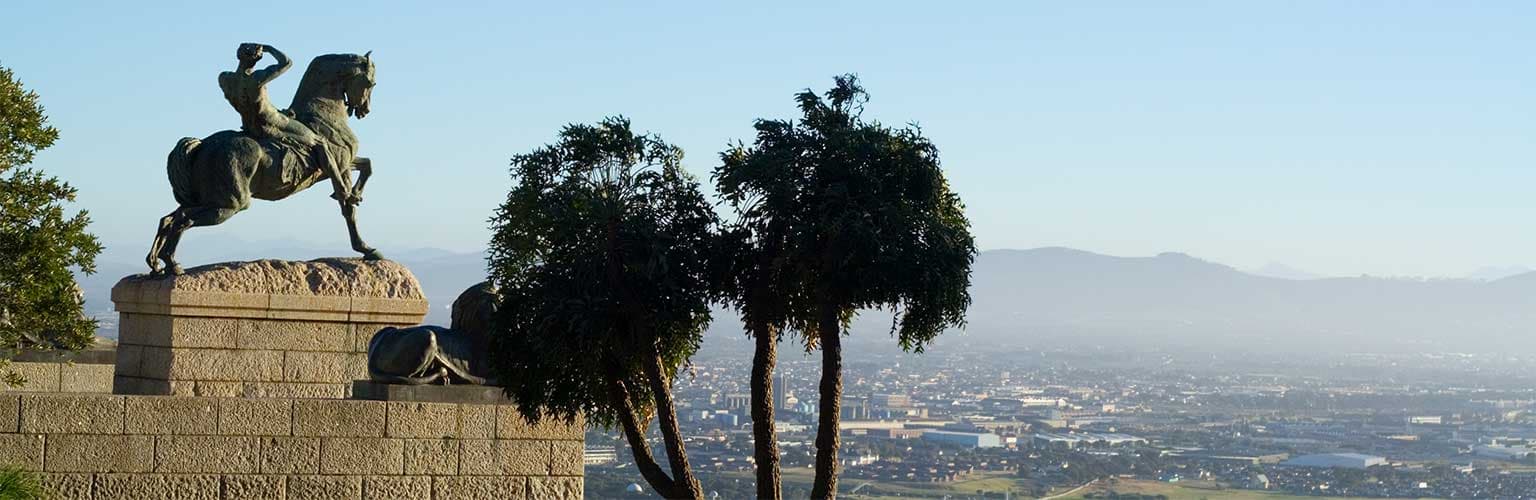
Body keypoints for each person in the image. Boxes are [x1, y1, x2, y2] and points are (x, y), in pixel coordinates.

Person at [219, 43, 355, 204]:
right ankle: (342, 191)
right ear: (255, 59)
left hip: (250, 125)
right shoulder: (256, 78)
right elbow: (287, 62)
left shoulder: (225, 79)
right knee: (320, 143)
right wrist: (268, 48)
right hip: (273, 124)